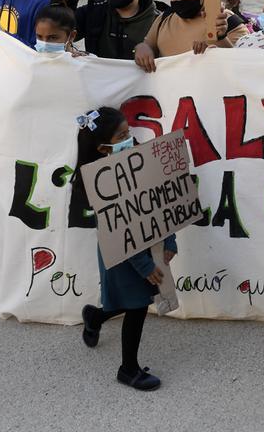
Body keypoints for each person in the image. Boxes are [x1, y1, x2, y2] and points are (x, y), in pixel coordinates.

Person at [75, 106, 176, 391]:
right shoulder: (99, 182)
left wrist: (169, 240)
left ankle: (95, 316)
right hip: (121, 256)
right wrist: (144, 266)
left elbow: (163, 201)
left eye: (128, 132)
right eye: (121, 135)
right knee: (137, 305)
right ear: (101, 147)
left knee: (130, 299)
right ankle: (128, 369)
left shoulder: (139, 160)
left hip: (144, 246)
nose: (129, 139)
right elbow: (117, 231)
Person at [134, 0, 243, 72]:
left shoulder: (228, 21)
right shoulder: (165, 17)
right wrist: (141, 47)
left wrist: (220, 39)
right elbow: (148, 44)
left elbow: (241, 67)